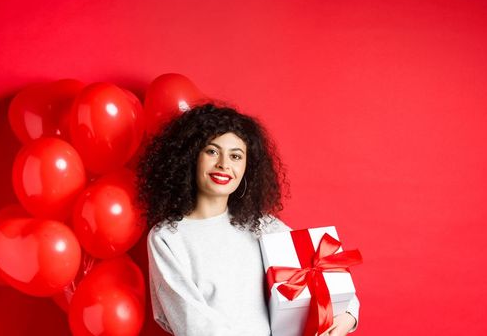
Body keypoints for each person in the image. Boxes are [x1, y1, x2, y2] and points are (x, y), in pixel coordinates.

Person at [136, 102, 360, 336]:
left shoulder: (262, 226)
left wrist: (347, 316)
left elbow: (327, 278)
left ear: (246, 168)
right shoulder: (167, 237)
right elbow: (194, 324)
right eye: (212, 151)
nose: (224, 164)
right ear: (191, 158)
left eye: (236, 156)